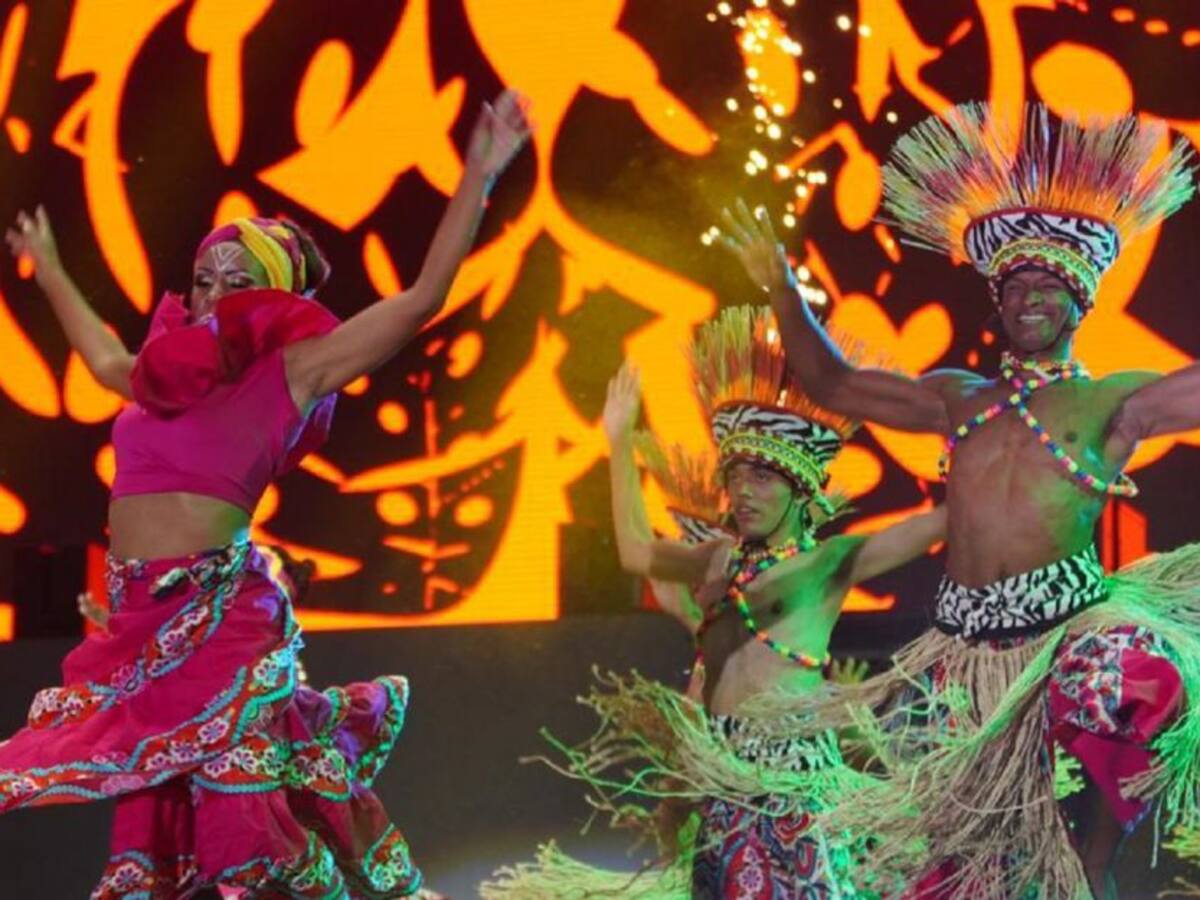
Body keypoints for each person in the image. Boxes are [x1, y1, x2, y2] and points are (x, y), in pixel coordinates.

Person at [0, 89, 531, 899]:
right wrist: (53, 273)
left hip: (224, 618)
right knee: (161, 827)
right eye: (203, 277)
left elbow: (420, 299)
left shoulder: (292, 373)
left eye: (235, 279)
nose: (212, 292)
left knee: (245, 833)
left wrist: (480, 175)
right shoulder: (154, 381)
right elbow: (106, 357)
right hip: (141, 625)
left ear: (273, 294)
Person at [718, 101, 1200, 898]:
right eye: (1016, 287)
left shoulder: (1112, 403)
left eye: (1050, 284)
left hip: (1061, 639)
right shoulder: (958, 400)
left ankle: (1099, 855)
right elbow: (834, 382)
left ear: (1080, 300)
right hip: (964, 652)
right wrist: (781, 290)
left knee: (1122, 682)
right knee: (975, 860)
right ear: (998, 304)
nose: (1030, 298)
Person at [485, 305, 945, 899]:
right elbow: (634, 551)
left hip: (793, 781)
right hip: (724, 776)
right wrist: (618, 441)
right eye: (734, 477)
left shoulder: (825, 565)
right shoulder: (717, 558)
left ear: (800, 487)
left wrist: (979, 453)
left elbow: (936, 525)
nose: (742, 492)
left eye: (761, 477)